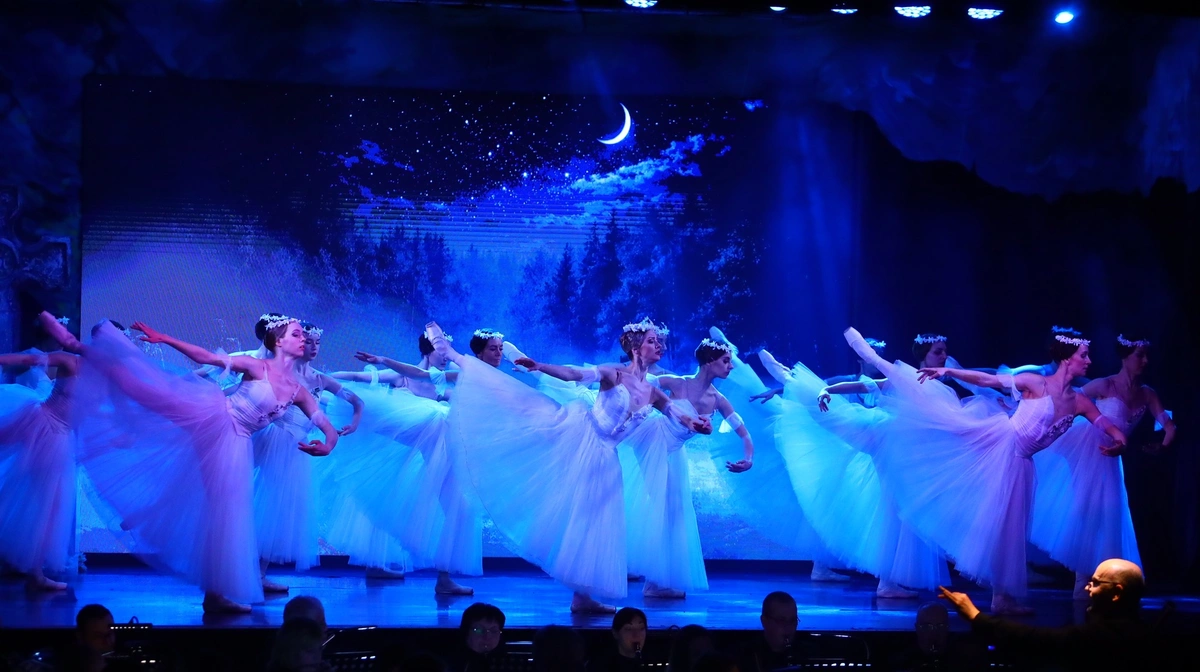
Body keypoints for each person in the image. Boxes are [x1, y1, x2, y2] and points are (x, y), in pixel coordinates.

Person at [41, 312, 338, 613]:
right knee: (151, 389)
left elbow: (325, 425)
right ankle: (82, 348)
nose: (304, 339)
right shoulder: (256, 366)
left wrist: (328, 444)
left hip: (236, 442)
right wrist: (164, 338)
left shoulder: (299, 391)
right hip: (215, 416)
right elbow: (207, 357)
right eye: (297, 334)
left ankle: (213, 593)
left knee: (225, 512)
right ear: (278, 341)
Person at [431, 318, 708, 613]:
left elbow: (674, 412)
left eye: (659, 341)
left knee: (596, 522)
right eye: (652, 341)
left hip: (606, 457)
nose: (659, 346)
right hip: (582, 437)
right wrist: (540, 366)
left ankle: (582, 596)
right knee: (523, 409)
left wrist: (695, 422)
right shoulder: (613, 373)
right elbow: (573, 373)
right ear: (636, 348)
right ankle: (452, 354)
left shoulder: (653, 392)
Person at [846, 326, 1127, 615]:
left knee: (1010, 529)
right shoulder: (1036, 382)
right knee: (945, 423)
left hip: (1022, 462)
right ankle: (871, 357)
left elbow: (1103, 422)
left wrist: (1120, 438)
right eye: (1084, 355)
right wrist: (950, 371)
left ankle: (1002, 598)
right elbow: (989, 379)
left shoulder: (1080, 401)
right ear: (1068, 358)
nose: (1089, 361)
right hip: (1001, 444)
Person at [755, 336, 948, 598]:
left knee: (893, 509)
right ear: (924, 355)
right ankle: (788, 379)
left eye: (944, 352)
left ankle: (887, 583)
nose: (944, 357)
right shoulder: (907, 377)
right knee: (837, 417)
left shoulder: (937, 384)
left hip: (898, 447)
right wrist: (827, 390)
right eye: (938, 352)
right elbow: (864, 384)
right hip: (883, 435)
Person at [331, 330, 479, 595]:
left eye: (447, 353)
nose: (445, 358)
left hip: (425, 458)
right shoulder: (403, 376)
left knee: (455, 508)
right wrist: (320, 379)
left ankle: (443, 577)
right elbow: (357, 377)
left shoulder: (441, 384)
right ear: (427, 350)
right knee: (384, 501)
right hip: (396, 452)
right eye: (440, 352)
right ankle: (375, 564)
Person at [1031, 333, 1175, 597]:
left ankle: (1106, 584)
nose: (1145, 361)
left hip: (1111, 457)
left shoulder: (1147, 394)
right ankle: (1081, 587)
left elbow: (1168, 425)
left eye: (1146, 356)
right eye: (1139, 355)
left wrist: (1163, 445)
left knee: (1110, 516)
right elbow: (1068, 400)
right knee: (1087, 512)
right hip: (1086, 447)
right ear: (1125, 357)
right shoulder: (1104, 385)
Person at [623, 337, 753, 598]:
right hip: (652, 440)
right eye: (726, 361)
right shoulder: (677, 382)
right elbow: (639, 384)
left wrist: (748, 459)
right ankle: (645, 575)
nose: (730, 366)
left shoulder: (718, 400)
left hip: (673, 453)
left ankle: (654, 580)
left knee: (672, 512)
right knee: (661, 508)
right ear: (709, 362)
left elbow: (744, 434)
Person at [255, 322, 363, 593]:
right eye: (307, 341)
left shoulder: (320, 379)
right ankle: (244, 573)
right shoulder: (281, 371)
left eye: (317, 342)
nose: (312, 347)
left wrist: (354, 423)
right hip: (275, 440)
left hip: (298, 448)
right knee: (267, 505)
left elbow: (356, 401)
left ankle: (258, 574)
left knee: (280, 511)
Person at [938, 559, 1166, 670]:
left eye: (1096, 583)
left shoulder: (1104, 636)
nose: (1088, 587)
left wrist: (976, 616)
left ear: (1117, 594)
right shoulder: (1138, 631)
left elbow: (1036, 639)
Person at [0, 326, 78, 591]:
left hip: (61, 436)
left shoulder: (107, 377)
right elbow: (28, 359)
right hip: (41, 424)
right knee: (41, 499)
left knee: (50, 505)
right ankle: (34, 573)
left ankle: (35, 572)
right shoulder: (71, 361)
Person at [737, 591, 799, 672]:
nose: (789, 627)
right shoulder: (743, 656)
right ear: (764, 621)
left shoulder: (806, 652)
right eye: (781, 621)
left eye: (793, 620)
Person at [586, 607, 648, 671]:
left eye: (641, 628)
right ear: (615, 633)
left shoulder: (649, 663)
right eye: (629, 629)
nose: (637, 635)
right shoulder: (600, 666)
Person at [455, 603, 506, 671]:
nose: (487, 637)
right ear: (466, 631)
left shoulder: (506, 661)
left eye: (493, 631)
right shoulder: (449, 664)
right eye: (479, 630)